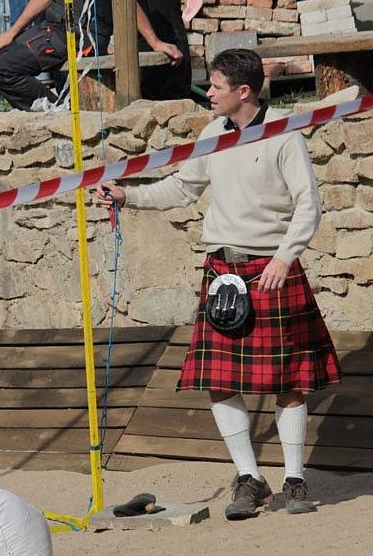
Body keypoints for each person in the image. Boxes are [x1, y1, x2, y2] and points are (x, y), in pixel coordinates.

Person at [96, 49, 341, 521]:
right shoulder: (211, 135)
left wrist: (285, 259)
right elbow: (182, 188)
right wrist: (129, 195)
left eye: (216, 85)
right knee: (220, 381)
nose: (207, 92)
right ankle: (250, 480)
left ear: (243, 92)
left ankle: (294, 479)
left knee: (289, 383)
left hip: (271, 270)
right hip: (223, 273)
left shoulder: (283, 135)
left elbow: (308, 205)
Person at [0, 0, 183, 114]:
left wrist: (154, 41)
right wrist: (12, 31)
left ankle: (57, 108)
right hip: (52, 28)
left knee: (2, 70)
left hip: (80, 36)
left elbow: (127, 0)